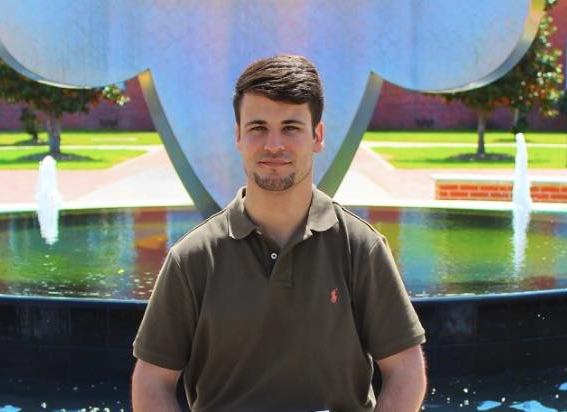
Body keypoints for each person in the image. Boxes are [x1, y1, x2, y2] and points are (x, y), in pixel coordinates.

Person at [131, 54, 427, 411]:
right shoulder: (192, 258)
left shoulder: (360, 248)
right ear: (238, 136)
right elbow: (152, 381)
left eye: (290, 127)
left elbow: (406, 369)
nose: (274, 145)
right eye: (258, 127)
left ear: (317, 136)